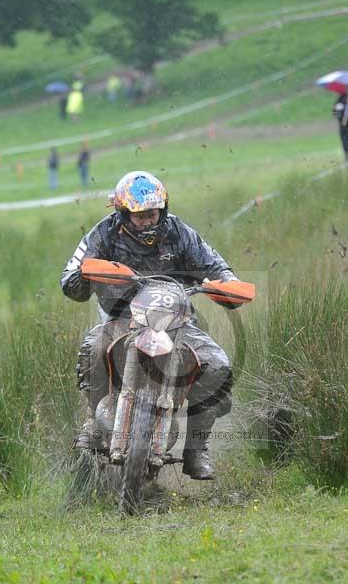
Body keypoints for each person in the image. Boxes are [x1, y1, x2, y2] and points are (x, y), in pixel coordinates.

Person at [60, 170, 244, 480]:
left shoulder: (180, 233)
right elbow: (70, 281)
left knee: (217, 365)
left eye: (152, 213)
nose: (147, 220)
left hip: (177, 322)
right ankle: (94, 421)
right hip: (121, 319)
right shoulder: (102, 234)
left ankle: (196, 448)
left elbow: (217, 267)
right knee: (93, 347)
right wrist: (87, 274)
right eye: (139, 216)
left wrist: (226, 285)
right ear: (123, 214)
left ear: (163, 210)